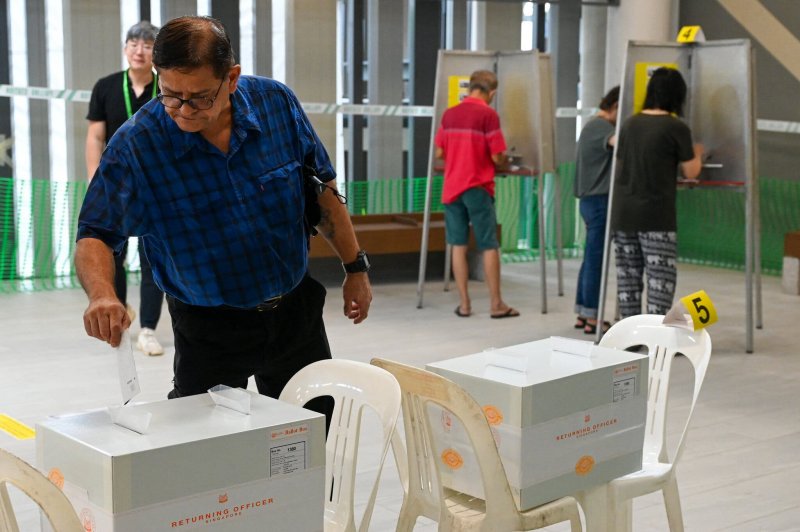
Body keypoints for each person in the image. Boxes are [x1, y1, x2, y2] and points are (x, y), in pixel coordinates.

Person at [75, 16, 372, 422]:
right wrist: (101, 295)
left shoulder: (276, 104)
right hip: (207, 329)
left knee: (311, 435)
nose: (183, 110)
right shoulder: (137, 146)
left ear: (231, 78)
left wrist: (355, 267)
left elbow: (321, 190)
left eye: (199, 97)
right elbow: (94, 232)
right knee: (209, 451)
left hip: (293, 316)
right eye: (170, 95)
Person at [85, 21, 166, 356]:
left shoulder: (167, 86)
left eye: (147, 45)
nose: (139, 51)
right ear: (125, 48)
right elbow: (95, 136)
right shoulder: (106, 86)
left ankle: (148, 329)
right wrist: (95, 181)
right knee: (111, 255)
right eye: (134, 43)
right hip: (116, 187)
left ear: (156, 52)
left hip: (156, 188)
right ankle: (119, 313)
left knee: (152, 259)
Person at [610, 68, 703, 318]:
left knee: (628, 283)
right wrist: (698, 153)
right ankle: (654, 336)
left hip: (623, 214)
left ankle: (630, 336)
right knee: (660, 284)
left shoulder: (629, 124)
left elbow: (621, 162)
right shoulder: (676, 127)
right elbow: (691, 171)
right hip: (656, 216)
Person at [434, 69, 519, 319]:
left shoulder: (450, 114)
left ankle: (464, 305)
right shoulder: (488, 115)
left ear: (470, 87)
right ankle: (496, 304)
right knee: (488, 245)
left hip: (452, 188)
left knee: (457, 245)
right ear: (492, 93)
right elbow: (497, 156)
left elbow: (439, 153)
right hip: (478, 187)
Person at [573, 86, 619, 335]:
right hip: (599, 201)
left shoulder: (591, 125)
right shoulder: (601, 127)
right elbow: (619, 143)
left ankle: (584, 312)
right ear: (615, 106)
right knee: (596, 260)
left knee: (590, 257)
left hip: (590, 200)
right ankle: (593, 316)